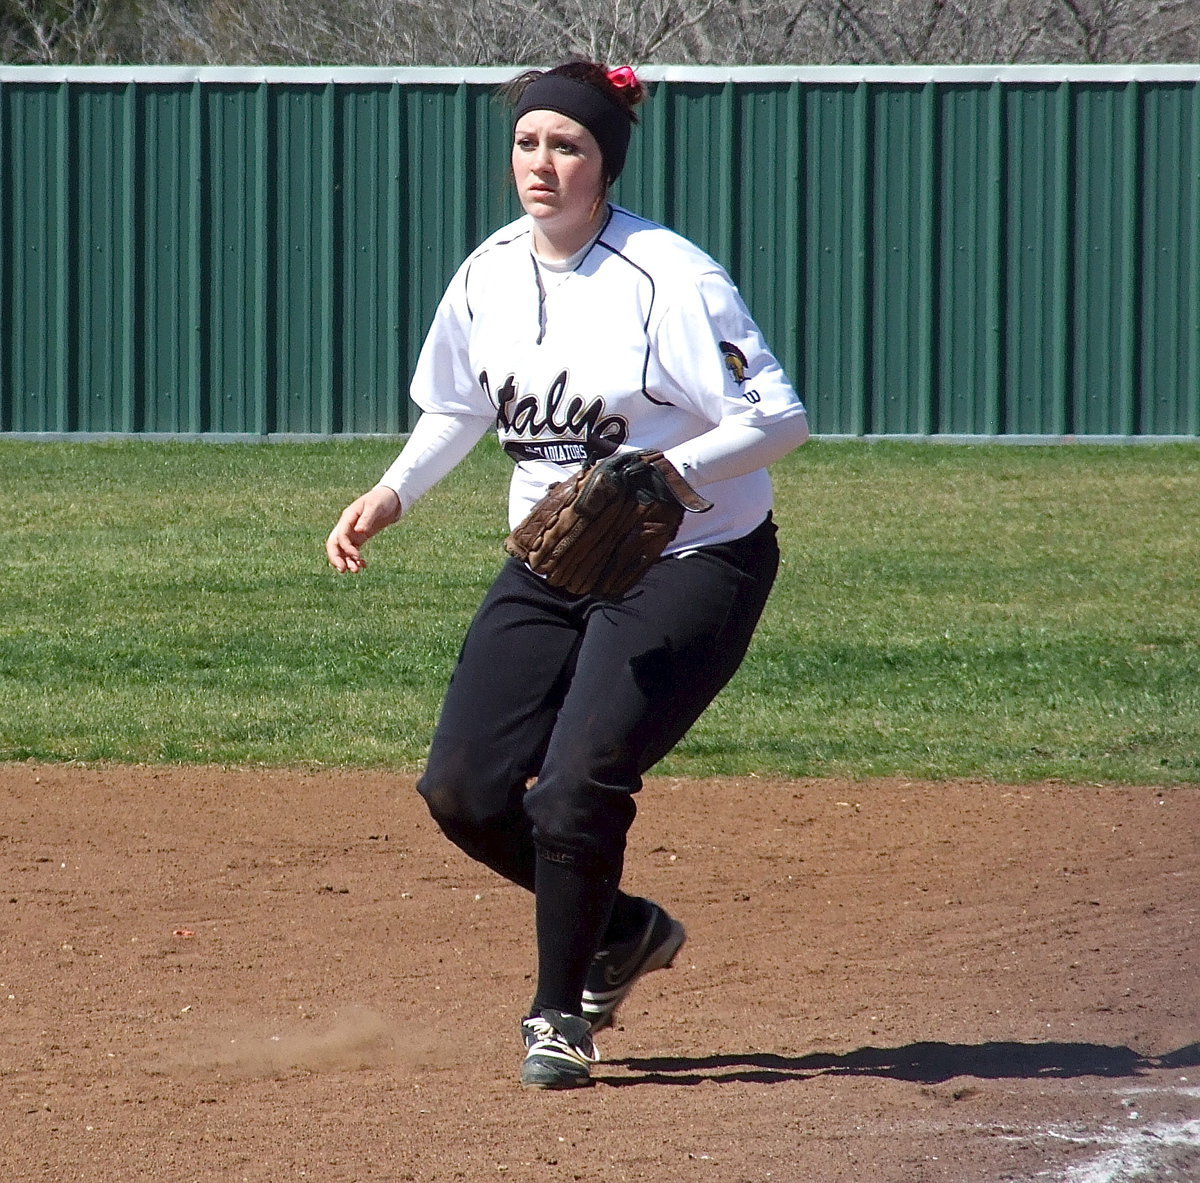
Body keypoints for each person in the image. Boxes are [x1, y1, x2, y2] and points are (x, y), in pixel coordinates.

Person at [326, 60, 809, 1089]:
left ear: (605, 161)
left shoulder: (668, 278)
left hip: (692, 554)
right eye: (528, 142)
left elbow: (778, 418)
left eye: (569, 146)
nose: (543, 164)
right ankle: (625, 926)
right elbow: (458, 407)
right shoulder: (490, 272)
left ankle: (559, 1015)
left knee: (579, 786)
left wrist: (664, 471)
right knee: (463, 788)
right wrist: (392, 493)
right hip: (554, 557)